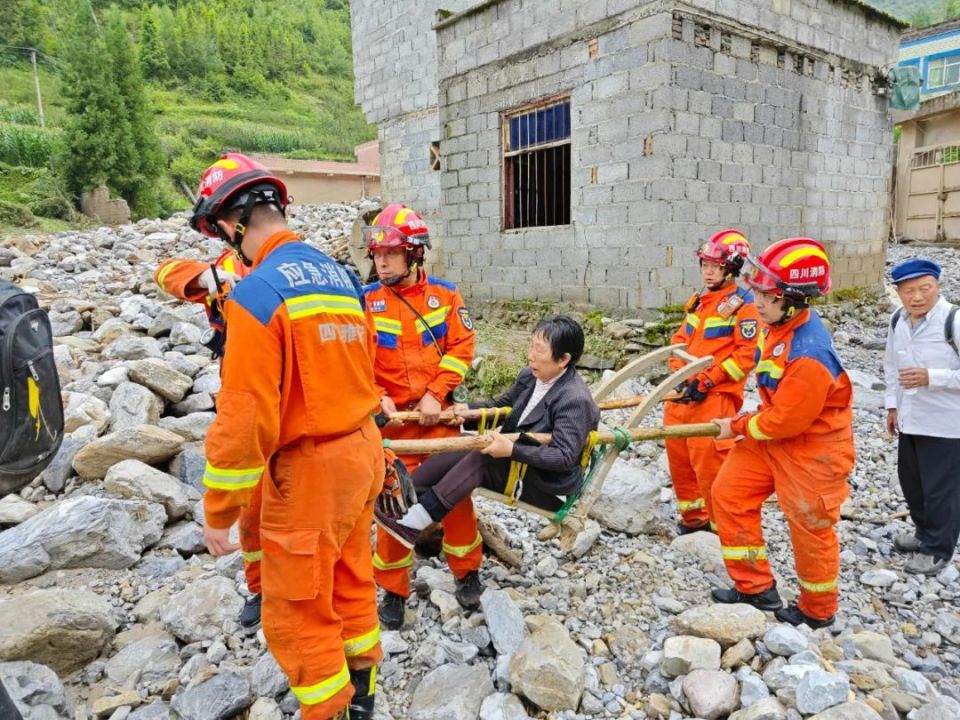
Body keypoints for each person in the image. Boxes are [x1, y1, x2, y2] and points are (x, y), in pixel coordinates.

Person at [194, 153, 384, 720]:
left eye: (225, 238)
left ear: (233, 225)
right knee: (351, 580)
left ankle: (329, 709)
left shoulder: (256, 294)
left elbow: (246, 416)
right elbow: (365, 367)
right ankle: (364, 699)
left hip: (311, 474)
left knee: (298, 610)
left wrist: (219, 510)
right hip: (362, 454)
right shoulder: (343, 279)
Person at [710, 238, 855, 629]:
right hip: (773, 436)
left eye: (767, 296)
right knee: (729, 493)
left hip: (813, 449)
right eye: (756, 291)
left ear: (794, 301)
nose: (757, 302)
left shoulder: (810, 356)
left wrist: (735, 426)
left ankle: (817, 609)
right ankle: (755, 586)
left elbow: (786, 421)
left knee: (809, 524)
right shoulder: (776, 323)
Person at [375, 315, 600, 554]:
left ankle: (415, 522)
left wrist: (511, 449)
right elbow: (501, 406)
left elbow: (563, 457)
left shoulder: (574, 400)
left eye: (540, 350)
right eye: (531, 346)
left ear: (564, 359)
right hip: (515, 463)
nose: (531, 355)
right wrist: (467, 411)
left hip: (541, 482)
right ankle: (406, 503)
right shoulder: (530, 376)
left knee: (482, 456)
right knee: (462, 443)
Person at [361, 203, 478, 629]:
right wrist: (377, 397)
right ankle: (393, 590)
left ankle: (467, 572)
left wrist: (435, 394)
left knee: (458, 499)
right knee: (394, 506)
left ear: (414, 253)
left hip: (440, 423)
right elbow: (354, 362)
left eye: (390, 252)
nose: (381, 261)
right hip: (393, 430)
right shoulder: (366, 301)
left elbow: (463, 348)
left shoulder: (445, 296)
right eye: (376, 254)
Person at [154, 238, 264, 633]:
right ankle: (259, 590)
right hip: (243, 397)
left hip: (288, 407)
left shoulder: (283, 272)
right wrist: (204, 276)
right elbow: (165, 271)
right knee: (252, 511)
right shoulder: (226, 269)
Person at [665, 229, 760, 534]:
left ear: (732, 268)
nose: (708, 271)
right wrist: (678, 372)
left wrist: (707, 380)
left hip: (714, 399)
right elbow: (680, 339)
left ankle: (723, 529)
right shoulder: (700, 300)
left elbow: (746, 356)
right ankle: (694, 520)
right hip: (682, 394)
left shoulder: (745, 305)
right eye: (704, 264)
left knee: (710, 466)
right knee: (679, 460)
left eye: (715, 266)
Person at [883, 258, 960, 575]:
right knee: (912, 483)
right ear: (898, 292)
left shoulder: (953, 321)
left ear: (938, 286)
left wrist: (933, 376)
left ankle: (938, 550)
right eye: (909, 290)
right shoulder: (898, 320)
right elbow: (890, 365)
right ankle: (924, 534)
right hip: (910, 419)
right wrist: (892, 405)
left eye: (924, 288)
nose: (917, 297)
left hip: (946, 424)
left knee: (940, 489)